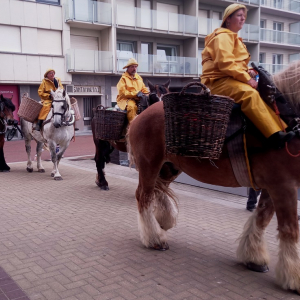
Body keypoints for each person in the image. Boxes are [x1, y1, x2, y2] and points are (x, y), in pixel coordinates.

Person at [200, 3, 295, 148]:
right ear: (228, 19)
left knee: (265, 93)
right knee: (249, 94)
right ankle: (273, 136)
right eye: (239, 15)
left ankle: (282, 128)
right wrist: (247, 79)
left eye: (244, 16)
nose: (243, 19)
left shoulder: (234, 38)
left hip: (229, 79)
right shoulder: (222, 37)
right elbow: (225, 63)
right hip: (217, 82)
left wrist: (250, 70)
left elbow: (236, 64)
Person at [116, 58, 149, 123]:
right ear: (128, 68)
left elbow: (144, 88)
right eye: (132, 67)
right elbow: (123, 93)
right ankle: (132, 126)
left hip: (139, 99)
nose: (134, 69)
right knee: (132, 107)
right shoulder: (123, 79)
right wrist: (136, 93)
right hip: (125, 100)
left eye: (135, 67)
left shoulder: (139, 77)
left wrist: (148, 94)